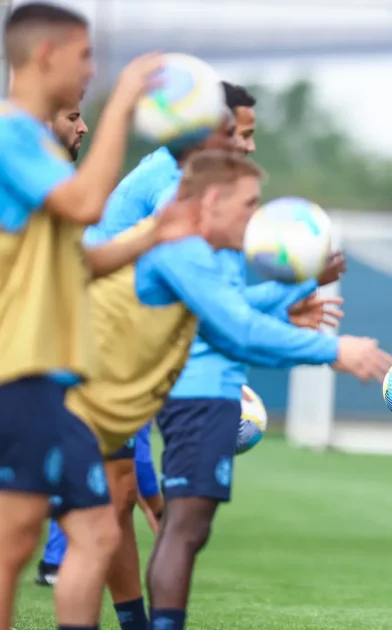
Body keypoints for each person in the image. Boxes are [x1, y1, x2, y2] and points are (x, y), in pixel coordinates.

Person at [63, 149, 392, 630]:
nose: (255, 223)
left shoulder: (189, 247)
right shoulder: (181, 246)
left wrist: (295, 313)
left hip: (98, 398)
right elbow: (235, 329)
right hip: (73, 392)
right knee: (74, 534)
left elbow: (227, 324)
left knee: (99, 530)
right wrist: (334, 351)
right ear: (214, 199)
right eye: (249, 206)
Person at [143, 89, 346, 630]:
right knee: (175, 527)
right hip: (190, 387)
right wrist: (336, 350)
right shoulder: (178, 223)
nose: (246, 146)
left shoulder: (192, 235)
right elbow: (236, 329)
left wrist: (299, 287)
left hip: (186, 384)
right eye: (239, 133)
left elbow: (231, 314)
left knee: (169, 525)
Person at [0, 4, 162, 629]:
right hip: (17, 371)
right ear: (47, 56)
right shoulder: (12, 134)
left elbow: (81, 262)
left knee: (98, 529)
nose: (92, 71)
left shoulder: (39, 149)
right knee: (13, 546)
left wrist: (157, 232)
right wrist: (124, 106)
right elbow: (90, 203)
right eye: (85, 56)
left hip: (53, 381)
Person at [35, 106, 164, 602]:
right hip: (46, 362)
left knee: (96, 521)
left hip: (73, 354)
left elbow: (86, 258)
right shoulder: (23, 163)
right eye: (73, 114)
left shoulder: (57, 189)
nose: (83, 126)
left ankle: (56, 559)